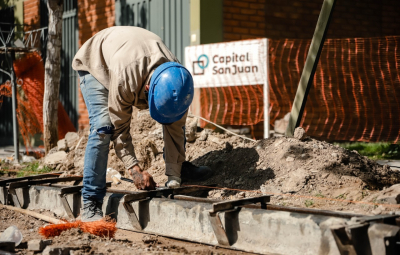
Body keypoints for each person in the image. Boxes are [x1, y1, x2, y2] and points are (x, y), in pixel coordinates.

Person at [72, 26, 212, 222]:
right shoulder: (125, 78)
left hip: (129, 54)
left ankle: (180, 167)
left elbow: (175, 125)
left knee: (174, 122)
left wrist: (174, 176)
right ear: (147, 88)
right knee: (103, 128)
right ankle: (90, 203)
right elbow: (119, 130)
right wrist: (134, 170)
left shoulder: (177, 82)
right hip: (96, 62)